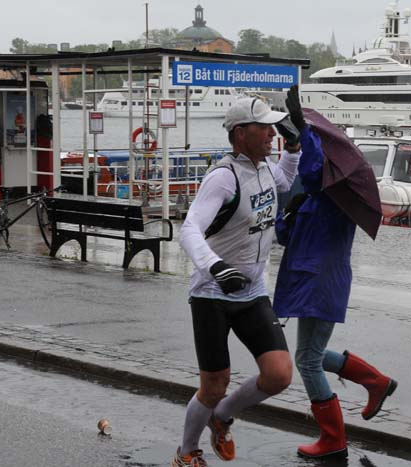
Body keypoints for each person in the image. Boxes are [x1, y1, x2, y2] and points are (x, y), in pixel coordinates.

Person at [173, 97, 301, 467]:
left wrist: (293, 148)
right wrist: (215, 266)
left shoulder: (265, 169)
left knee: (278, 375)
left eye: (275, 128)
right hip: (213, 294)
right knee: (214, 384)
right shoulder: (223, 177)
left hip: (253, 290)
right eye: (265, 128)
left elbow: (287, 177)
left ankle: (223, 417)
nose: (272, 134)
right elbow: (189, 229)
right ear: (241, 133)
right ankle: (186, 453)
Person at [273, 86, 398, 459]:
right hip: (308, 278)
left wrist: (305, 133)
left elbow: (312, 173)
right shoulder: (314, 197)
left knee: (307, 361)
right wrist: (287, 211)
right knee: (309, 353)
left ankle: (332, 439)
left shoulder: (336, 194)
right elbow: (286, 237)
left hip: (321, 281)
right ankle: (375, 381)